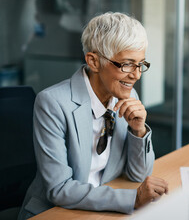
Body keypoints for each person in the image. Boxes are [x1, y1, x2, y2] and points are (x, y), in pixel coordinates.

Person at [18, 12, 168, 219]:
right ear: (94, 62)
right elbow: (59, 189)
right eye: (127, 64)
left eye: (140, 64)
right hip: (55, 212)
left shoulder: (126, 95)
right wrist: (132, 199)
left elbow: (138, 175)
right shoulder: (52, 103)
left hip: (103, 206)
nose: (136, 75)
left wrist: (139, 130)